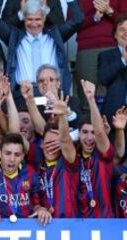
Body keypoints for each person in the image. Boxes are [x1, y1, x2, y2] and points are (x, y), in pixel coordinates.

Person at [0, 0, 85, 96]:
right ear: (24, 18)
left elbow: (78, 19)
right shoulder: (14, 36)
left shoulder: (56, 35)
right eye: (30, 19)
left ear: (44, 19)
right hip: (22, 93)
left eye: (38, 19)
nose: (34, 23)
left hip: (52, 92)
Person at [27, 94, 79, 218]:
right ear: (41, 144)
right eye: (48, 143)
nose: (51, 148)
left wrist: (62, 116)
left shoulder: (68, 163)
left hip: (70, 227)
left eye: (56, 144)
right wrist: (39, 208)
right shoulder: (38, 166)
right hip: (46, 227)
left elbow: (66, 140)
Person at [0, 133, 51, 226]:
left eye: (17, 154)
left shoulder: (30, 172)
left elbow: (36, 204)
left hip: (26, 230)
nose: (12, 159)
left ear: (22, 156)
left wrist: (41, 210)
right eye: (8, 153)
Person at [75, 0, 127, 110]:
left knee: (113, 95)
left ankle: (113, 125)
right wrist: (94, 18)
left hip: (113, 46)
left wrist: (109, 11)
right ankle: (88, 126)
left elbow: (125, 21)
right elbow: (72, 23)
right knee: (87, 95)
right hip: (87, 48)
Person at [78, 80, 115, 218]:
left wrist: (91, 100)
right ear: (78, 134)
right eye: (85, 132)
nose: (89, 137)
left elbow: (100, 133)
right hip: (77, 224)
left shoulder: (104, 155)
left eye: (93, 132)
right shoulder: (73, 158)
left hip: (104, 222)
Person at [98, 14, 127, 151]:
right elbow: (103, 78)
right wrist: (123, 60)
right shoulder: (106, 56)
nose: (126, 33)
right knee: (114, 159)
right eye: (122, 29)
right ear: (115, 35)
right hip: (114, 116)